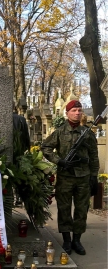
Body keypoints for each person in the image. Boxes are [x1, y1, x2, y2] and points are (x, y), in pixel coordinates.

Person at [41, 100, 99, 256]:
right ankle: (67, 240)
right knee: (64, 209)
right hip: (65, 177)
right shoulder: (59, 132)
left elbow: (94, 156)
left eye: (80, 110)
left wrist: (94, 176)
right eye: (74, 110)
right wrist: (59, 161)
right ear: (67, 113)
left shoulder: (87, 133)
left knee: (82, 210)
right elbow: (45, 148)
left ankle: (77, 240)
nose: (78, 113)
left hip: (83, 177)